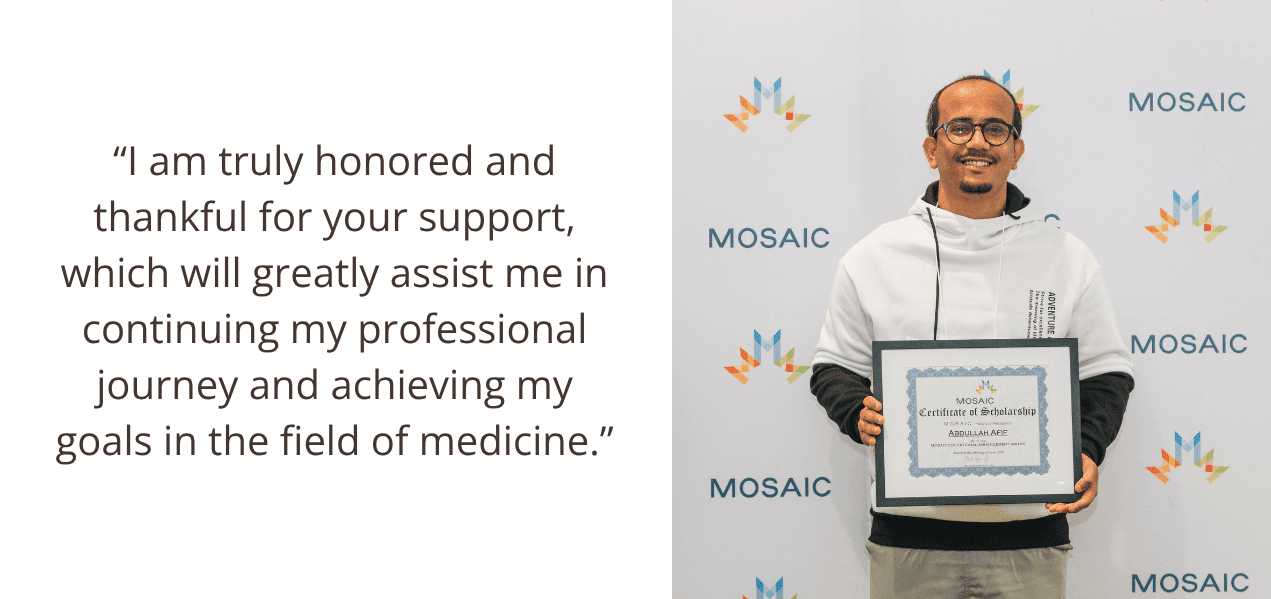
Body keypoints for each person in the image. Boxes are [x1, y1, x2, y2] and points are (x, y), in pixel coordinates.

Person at [810, 75, 1134, 598]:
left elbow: (1105, 372)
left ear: (1017, 150)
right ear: (931, 148)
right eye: (959, 127)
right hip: (908, 537)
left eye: (995, 129)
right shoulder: (874, 256)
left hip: (1030, 534)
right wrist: (854, 408)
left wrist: (1087, 447)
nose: (977, 141)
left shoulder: (1065, 256)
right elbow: (834, 365)